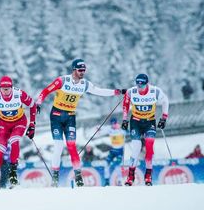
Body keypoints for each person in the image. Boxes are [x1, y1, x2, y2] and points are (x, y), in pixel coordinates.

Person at [35, 59, 124, 187]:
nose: (82, 73)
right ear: (74, 70)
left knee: (72, 145)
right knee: (59, 145)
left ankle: (78, 175)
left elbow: (99, 91)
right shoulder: (62, 80)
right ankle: (55, 176)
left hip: (70, 116)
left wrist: (118, 92)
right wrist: (38, 102)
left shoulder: (84, 84)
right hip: (56, 116)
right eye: (80, 70)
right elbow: (46, 91)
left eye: (84, 70)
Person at [0, 76, 36, 189]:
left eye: (8, 88)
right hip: (4, 124)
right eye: (3, 88)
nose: (6, 91)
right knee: (0, 150)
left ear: (12, 87)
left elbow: (32, 105)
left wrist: (32, 125)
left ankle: (13, 173)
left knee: (14, 140)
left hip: (19, 122)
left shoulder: (19, 94)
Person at [121, 73, 169, 186]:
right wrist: (124, 119)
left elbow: (165, 101)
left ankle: (148, 176)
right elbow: (125, 104)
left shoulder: (155, 91)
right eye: (138, 85)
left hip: (149, 122)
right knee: (136, 148)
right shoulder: (131, 92)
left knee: (149, 148)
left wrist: (164, 118)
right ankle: (130, 177)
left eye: (142, 85)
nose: (139, 87)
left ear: (147, 83)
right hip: (136, 122)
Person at [99, 117, 126, 186]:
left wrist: (121, 128)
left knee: (116, 165)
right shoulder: (109, 128)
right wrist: (98, 129)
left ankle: (120, 181)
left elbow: (127, 132)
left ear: (116, 123)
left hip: (120, 151)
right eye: (112, 124)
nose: (113, 125)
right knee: (106, 164)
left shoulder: (120, 129)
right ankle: (107, 181)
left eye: (114, 123)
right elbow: (102, 130)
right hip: (113, 150)